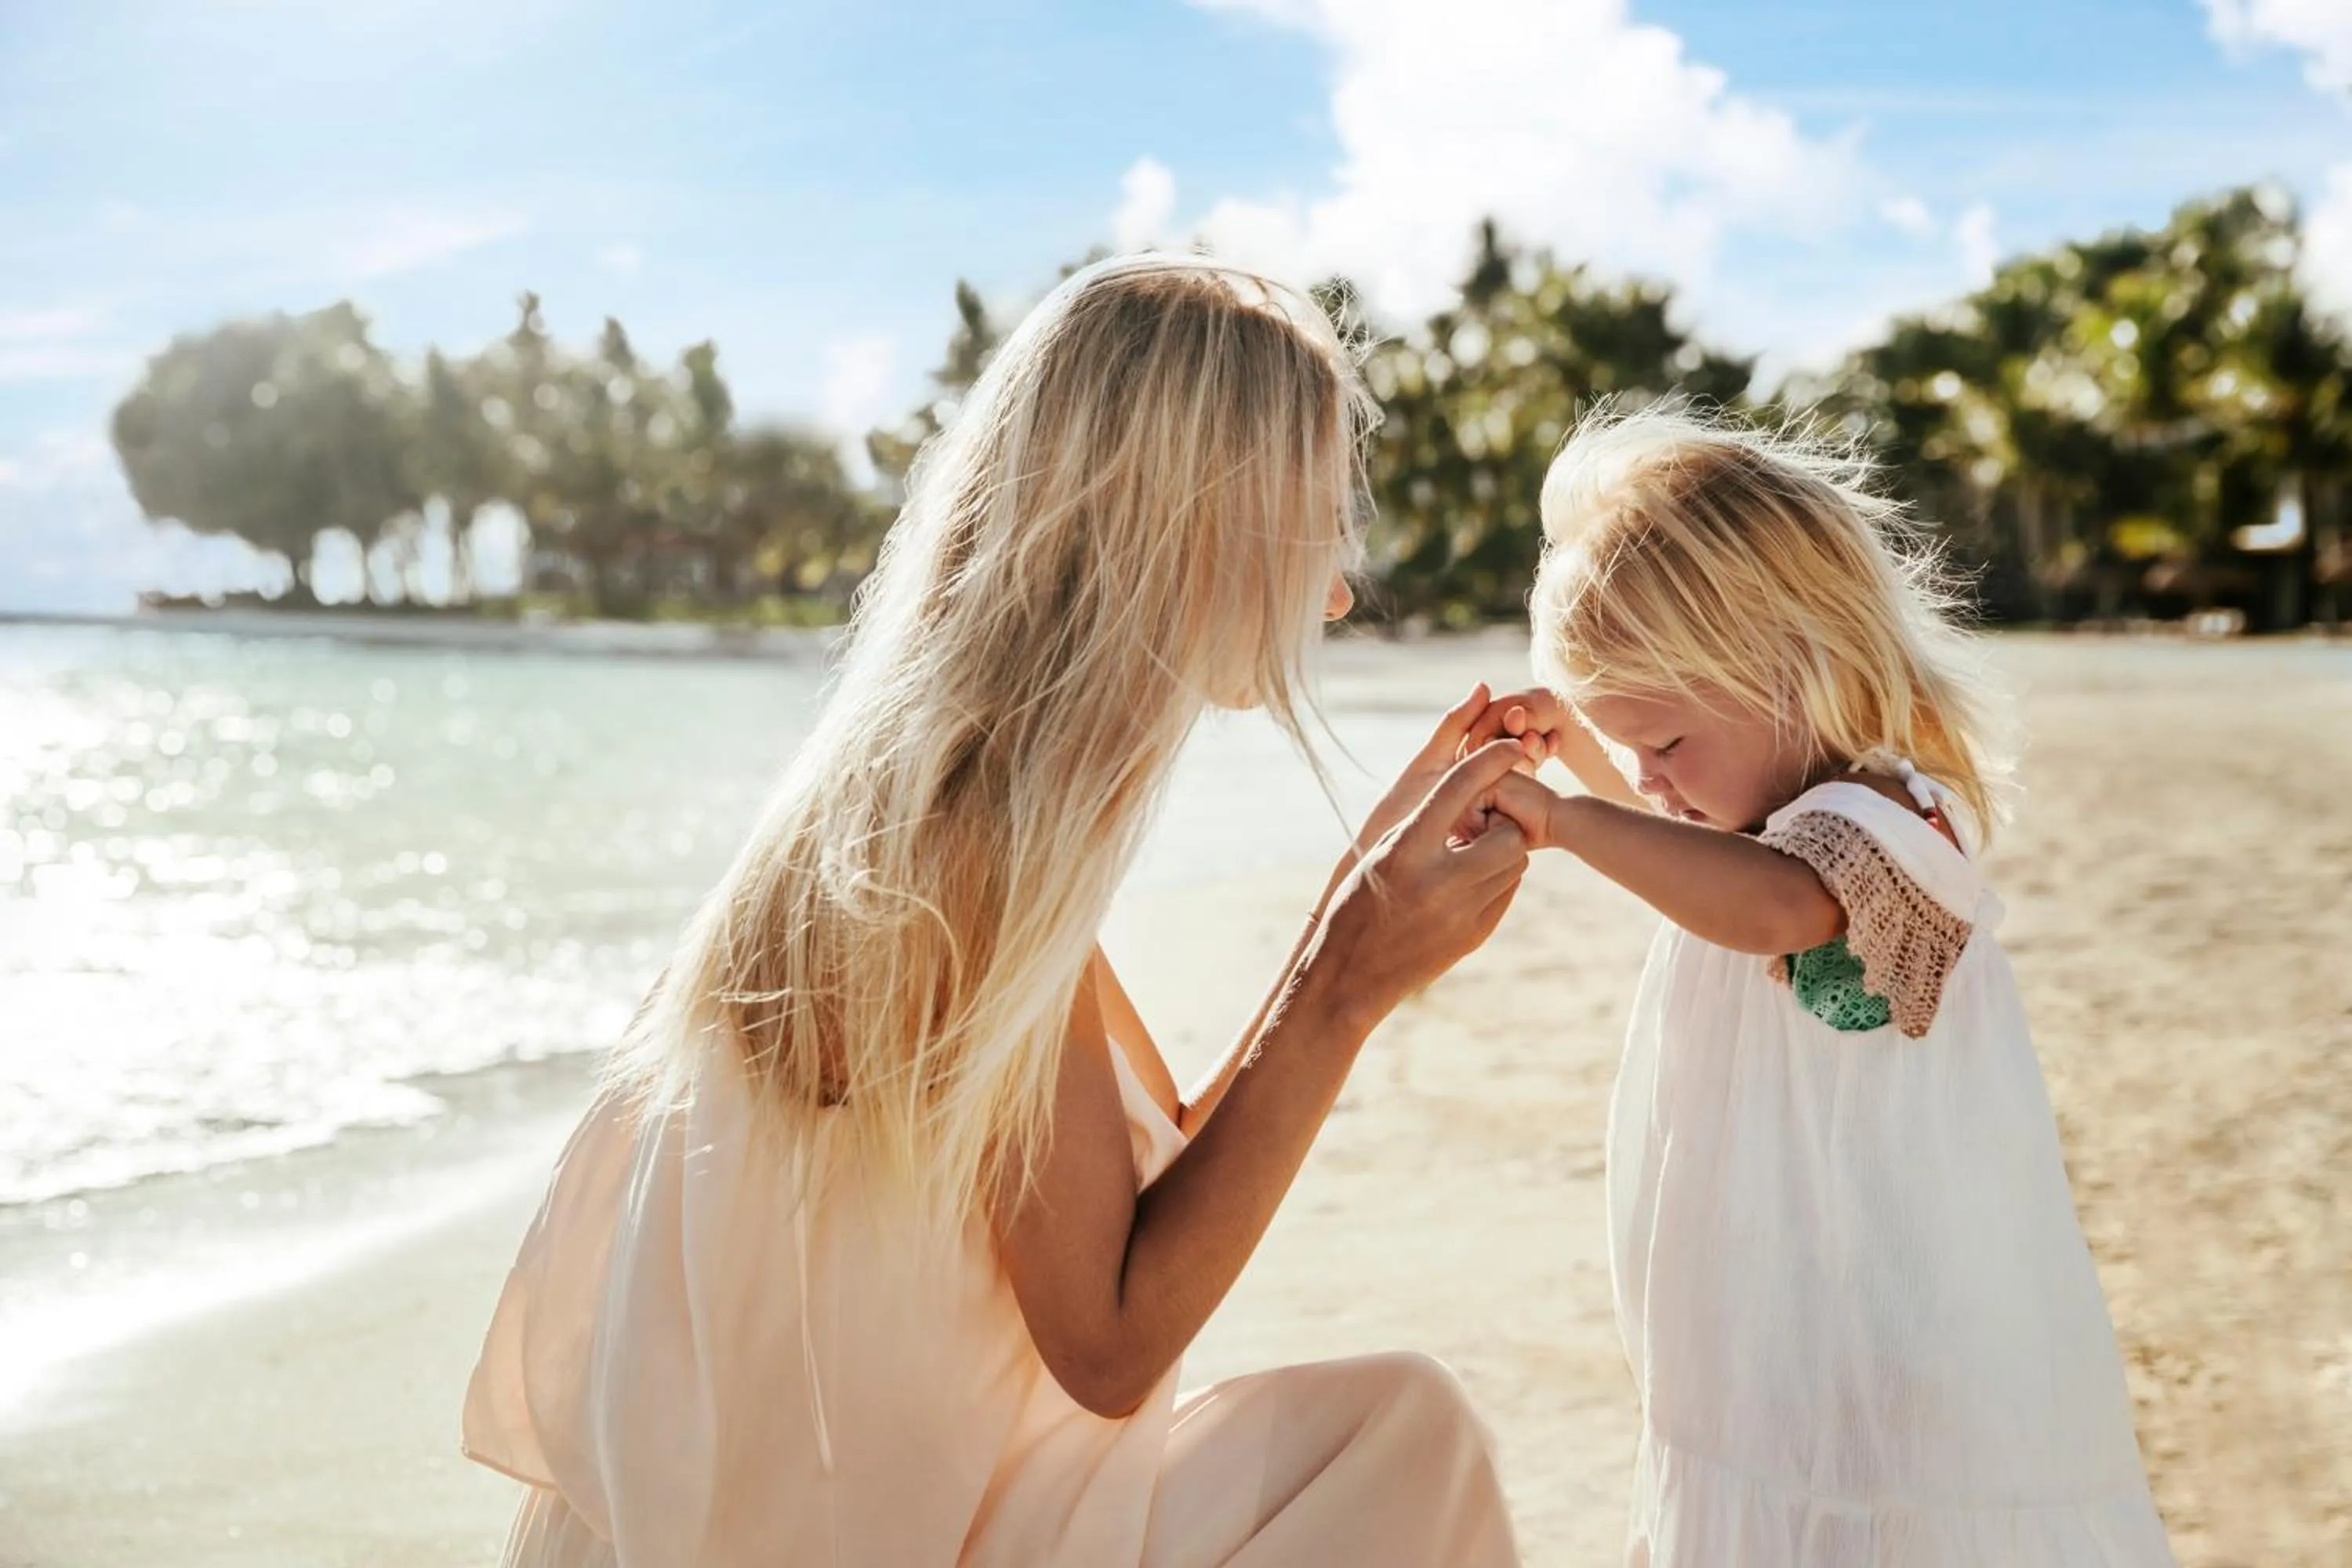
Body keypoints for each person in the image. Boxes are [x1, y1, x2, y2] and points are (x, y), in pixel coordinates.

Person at [460, 254, 1528, 1566]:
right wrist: (1347, 982)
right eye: (1310, 521)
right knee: (1403, 1439)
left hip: (844, 1519)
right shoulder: (963, 855)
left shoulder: (940, 801)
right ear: (1195, 526)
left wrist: (1353, 915)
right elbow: (1109, 1343)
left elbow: (1132, 1207)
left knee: (1390, 1433)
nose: (1338, 591)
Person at [1472, 403, 2174, 1566]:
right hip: (1778, 1287)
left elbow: (1777, 907)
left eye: (1666, 745)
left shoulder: (1885, 816)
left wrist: (1564, 819)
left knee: (1886, 1514)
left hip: (1894, 1295)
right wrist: (1578, 754)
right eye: (1628, 746)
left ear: (1796, 666)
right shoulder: (1759, 814)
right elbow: (1690, 847)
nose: (1651, 781)